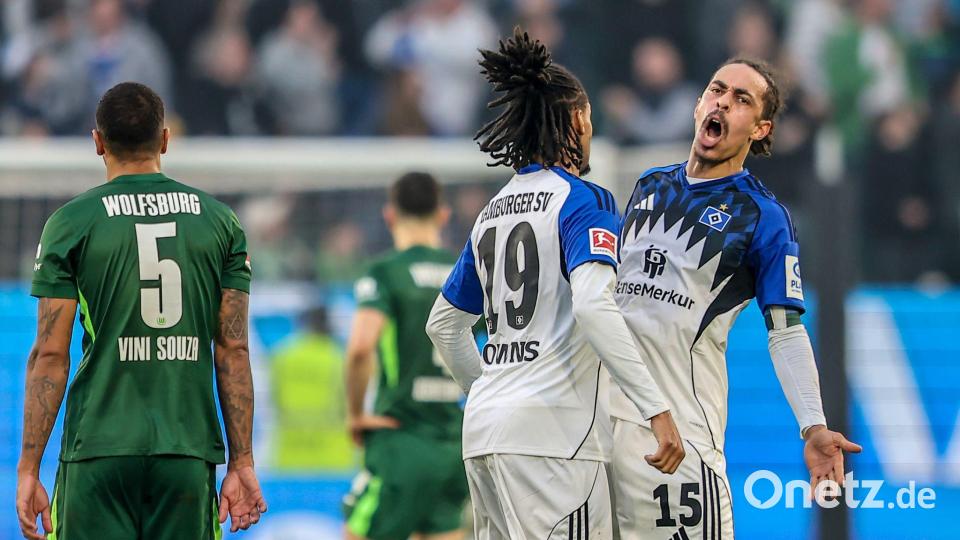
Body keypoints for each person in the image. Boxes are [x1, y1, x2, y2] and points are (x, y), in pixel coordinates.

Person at [425, 29, 683, 540]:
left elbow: (443, 326)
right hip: (553, 439)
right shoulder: (584, 200)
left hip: (483, 435)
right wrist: (657, 408)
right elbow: (592, 303)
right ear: (578, 119)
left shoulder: (490, 213)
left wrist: (492, 392)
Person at [610, 58, 862, 539]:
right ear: (698, 104)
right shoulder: (648, 185)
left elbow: (786, 332)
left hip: (680, 439)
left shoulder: (762, 216)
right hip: (602, 434)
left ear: (760, 128)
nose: (724, 100)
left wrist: (812, 425)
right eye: (717, 89)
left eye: (742, 99)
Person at [15, 82, 266, 540]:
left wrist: (29, 468)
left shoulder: (70, 224)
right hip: (186, 449)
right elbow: (232, 347)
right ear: (165, 139)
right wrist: (242, 461)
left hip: (98, 448)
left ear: (98, 142)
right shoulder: (220, 222)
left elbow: (50, 355)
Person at [343, 172, 469, 540]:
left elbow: (360, 348)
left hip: (401, 436)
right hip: (452, 442)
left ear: (390, 215)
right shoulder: (463, 273)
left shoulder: (385, 273)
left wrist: (356, 414)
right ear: (443, 215)